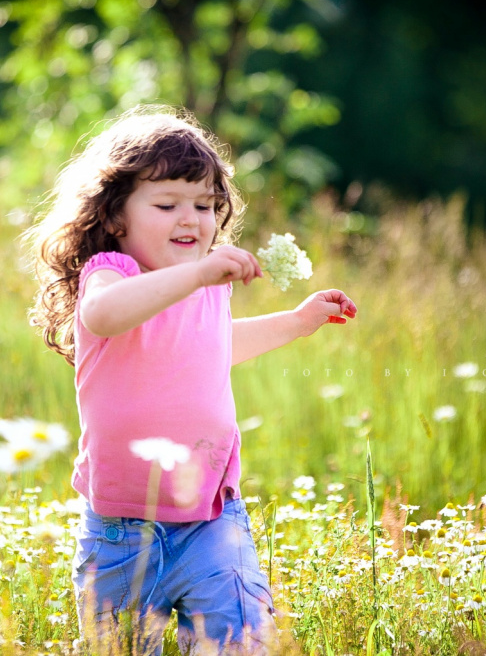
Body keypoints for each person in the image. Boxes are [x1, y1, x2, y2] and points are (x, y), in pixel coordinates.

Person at [29, 106, 357, 654]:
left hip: (211, 516)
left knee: (241, 642)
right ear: (114, 217)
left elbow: (214, 348)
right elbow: (103, 315)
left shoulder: (207, 286)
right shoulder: (112, 273)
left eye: (205, 205)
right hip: (121, 535)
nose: (192, 219)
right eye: (167, 204)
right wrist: (198, 273)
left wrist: (297, 323)